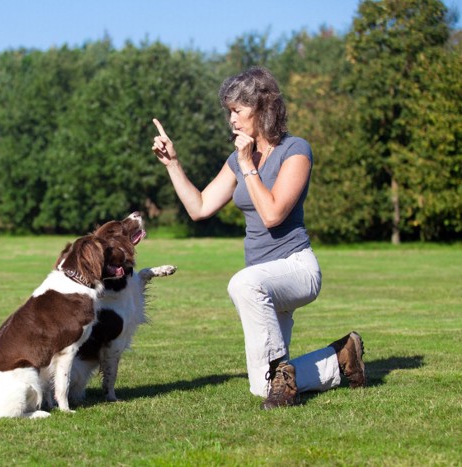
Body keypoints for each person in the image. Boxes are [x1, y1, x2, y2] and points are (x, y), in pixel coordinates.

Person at [151, 66, 366, 409]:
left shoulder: (295, 150)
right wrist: (172, 164)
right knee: (262, 387)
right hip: (262, 282)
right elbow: (201, 208)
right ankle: (341, 358)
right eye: (228, 113)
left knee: (242, 284)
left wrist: (248, 164)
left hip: (296, 268)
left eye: (237, 110)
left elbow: (273, 213)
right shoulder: (237, 161)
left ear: (262, 107)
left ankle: (284, 376)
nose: (231, 120)